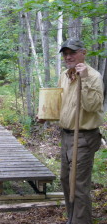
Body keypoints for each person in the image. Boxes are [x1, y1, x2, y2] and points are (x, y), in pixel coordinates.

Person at [40, 38, 103, 224]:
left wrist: (84, 80)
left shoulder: (93, 76)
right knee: (66, 180)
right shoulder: (66, 74)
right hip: (66, 135)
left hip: (83, 136)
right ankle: (72, 218)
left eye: (72, 53)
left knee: (79, 184)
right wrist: (47, 113)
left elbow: (92, 106)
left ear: (83, 53)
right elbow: (63, 103)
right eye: (65, 54)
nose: (68, 57)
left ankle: (81, 221)